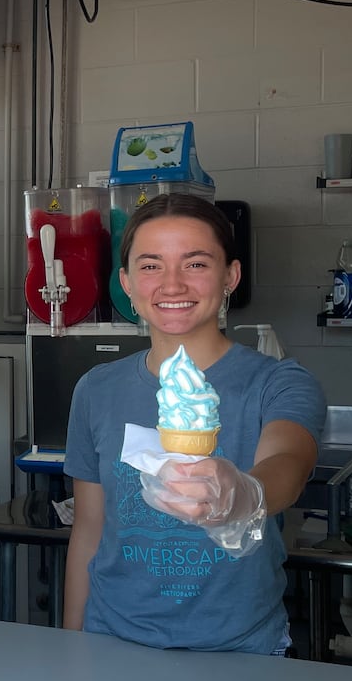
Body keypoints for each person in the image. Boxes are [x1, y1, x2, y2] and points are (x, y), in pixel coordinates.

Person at [63, 193, 326, 654]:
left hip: (239, 649)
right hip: (112, 644)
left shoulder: (278, 382)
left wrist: (245, 492)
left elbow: (289, 461)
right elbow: (89, 528)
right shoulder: (96, 389)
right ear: (125, 282)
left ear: (231, 276)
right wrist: (71, 645)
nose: (172, 284)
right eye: (150, 266)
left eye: (196, 264)